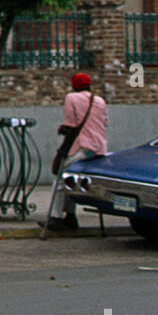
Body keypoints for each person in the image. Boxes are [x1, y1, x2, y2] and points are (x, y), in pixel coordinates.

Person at [45, 71, 108, 232]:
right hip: (99, 148)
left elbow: (71, 125)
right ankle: (70, 217)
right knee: (71, 180)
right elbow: (105, 122)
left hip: (82, 146)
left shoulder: (71, 98)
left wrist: (62, 136)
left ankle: (56, 216)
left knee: (60, 179)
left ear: (74, 85)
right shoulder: (100, 100)